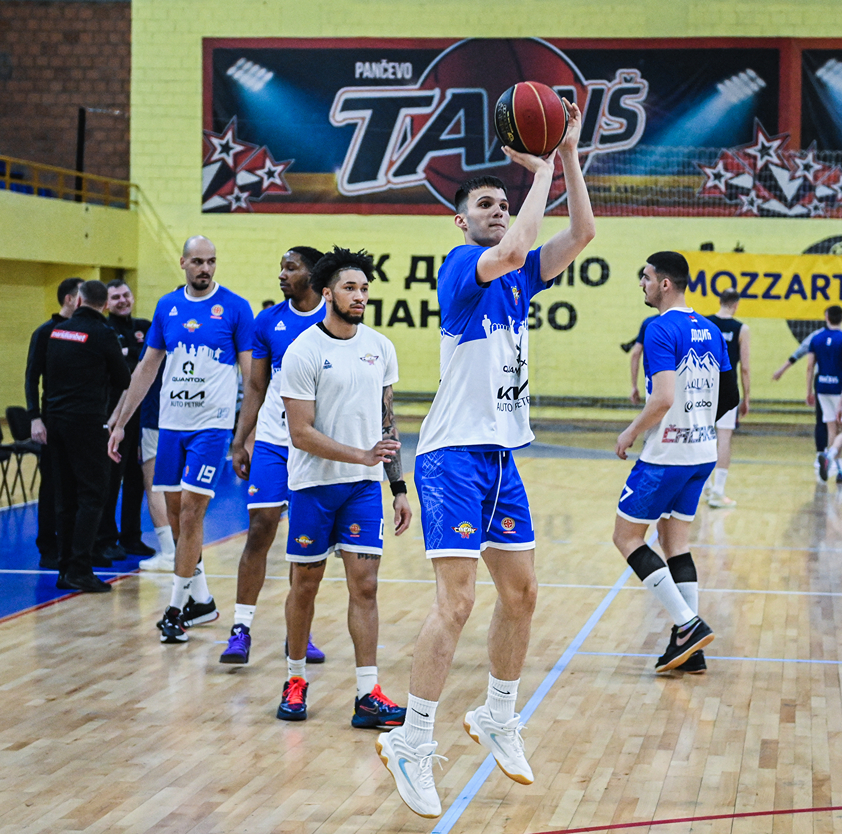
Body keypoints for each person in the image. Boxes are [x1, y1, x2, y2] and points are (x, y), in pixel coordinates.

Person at [377, 100, 595, 819]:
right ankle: (412, 740)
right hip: (450, 456)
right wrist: (539, 172)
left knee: (522, 595)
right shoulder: (462, 267)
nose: (498, 212)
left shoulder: (519, 279)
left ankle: (498, 714)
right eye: (485, 205)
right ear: (460, 221)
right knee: (458, 602)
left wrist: (566, 156)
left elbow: (582, 234)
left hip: (501, 457)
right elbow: (515, 247)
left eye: (503, 204)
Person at [276, 246, 410, 729]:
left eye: (364, 289)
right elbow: (300, 433)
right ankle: (294, 679)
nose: (360, 296)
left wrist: (398, 486)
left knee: (366, 586)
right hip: (314, 486)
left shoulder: (380, 347)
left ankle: (367, 694)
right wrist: (361, 455)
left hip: (362, 489)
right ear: (327, 293)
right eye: (350, 288)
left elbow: (386, 421)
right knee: (305, 586)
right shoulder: (303, 351)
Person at [107, 235, 254, 642]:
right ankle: (202, 600)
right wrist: (120, 422)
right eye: (198, 261)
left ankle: (174, 610)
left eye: (211, 261)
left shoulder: (236, 308)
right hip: (171, 425)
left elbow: (252, 378)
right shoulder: (167, 306)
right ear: (183, 263)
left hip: (212, 426)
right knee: (175, 517)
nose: (205, 268)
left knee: (191, 514)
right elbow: (146, 369)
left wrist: (246, 434)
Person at [612, 252, 738, 678]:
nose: (642, 284)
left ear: (665, 283)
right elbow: (730, 395)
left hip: (666, 455)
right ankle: (692, 650)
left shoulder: (659, 328)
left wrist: (630, 432)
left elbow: (663, 398)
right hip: (702, 453)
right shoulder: (710, 329)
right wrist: (698, 422)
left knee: (626, 537)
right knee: (675, 544)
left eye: (646, 277)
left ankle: (687, 624)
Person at [220, 246, 327, 666]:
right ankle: (240, 629)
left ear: (312, 275)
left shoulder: (334, 319)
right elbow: (255, 387)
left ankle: (298, 633)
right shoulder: (267, 321)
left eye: (290, 267)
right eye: (281, 267)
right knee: (261, 527)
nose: (281, 274)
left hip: (313, 447)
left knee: (304, 542)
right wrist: (239, 440)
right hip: (271, 441)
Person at [44, 280, 132, 592]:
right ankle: (81, 568)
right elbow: (124, 379)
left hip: (55, 421)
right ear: (105, 304)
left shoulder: (58, 331)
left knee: (65, 497)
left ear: (79, 300)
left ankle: (64, 568)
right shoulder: (103, 333)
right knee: (93, 495)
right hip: (86, 422)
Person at [25, 277, 84, 569]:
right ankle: (48, 546)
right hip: (52, 419)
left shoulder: (87, 331)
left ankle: (75, 546)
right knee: (51, 484)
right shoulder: (45, 332)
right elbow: (31, 377)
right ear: (70, 299)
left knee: (79, 485)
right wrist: (35, 417)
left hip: (81, 421)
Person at [96, 279, 154, 562]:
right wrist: (135, 357)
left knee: (136, 478)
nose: (122, 300)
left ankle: (131, 536)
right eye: (116, 297)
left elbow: (150, 362)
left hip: (142, 414)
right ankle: (105, 538)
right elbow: (124, 369)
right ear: (107, 303)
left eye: (125, 295)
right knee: (110, 478)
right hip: (113, 413)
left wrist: (130, 354)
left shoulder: (144, 325)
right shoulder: (105, 329)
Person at [772, 310, 837, 470]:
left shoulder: (816, 336)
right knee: (835, 425)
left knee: (823, 420)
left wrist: (782, 370)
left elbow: (803, 357)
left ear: (826, 317)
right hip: (838, 384)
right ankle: (833, 458)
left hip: (821, 382)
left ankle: (821, 456)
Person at [706, 288, 751, 508]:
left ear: (720, 301)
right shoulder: (741, 328)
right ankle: (718, 491)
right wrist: (747, 397)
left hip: (704, 387)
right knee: (724, 437)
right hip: (727, 388)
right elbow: (745, 368)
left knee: (703, 436)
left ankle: (703, 485)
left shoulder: (705, 323)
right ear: (736, 304)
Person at [807, 307, 842, 481]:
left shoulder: (816, 338)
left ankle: (838, 469)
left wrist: (808, 391)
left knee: (831, 429)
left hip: (822, 388)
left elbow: (810, 367)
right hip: (839, 389)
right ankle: (830, 456)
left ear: (826, 317)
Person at [629, 310, 659, 405]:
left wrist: (634, 386)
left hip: (654, 386)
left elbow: (636, 354)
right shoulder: (688, 322)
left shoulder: (649, 323)